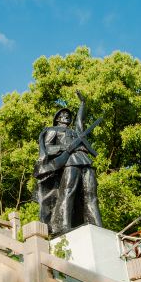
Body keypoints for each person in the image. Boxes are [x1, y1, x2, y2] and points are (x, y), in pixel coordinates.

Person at [33, 91, 102, 236]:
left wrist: (83, 104)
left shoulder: (75, 131)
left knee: (91, 193)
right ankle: (62, 226)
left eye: (68, 116)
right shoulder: (52, 130)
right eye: (63, 116)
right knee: (68, 191)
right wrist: (65, 148)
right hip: (69, 161)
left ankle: (97, 225)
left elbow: (80, 121)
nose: (66, 117)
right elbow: (47, 149)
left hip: (85, 160)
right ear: (57, 119)